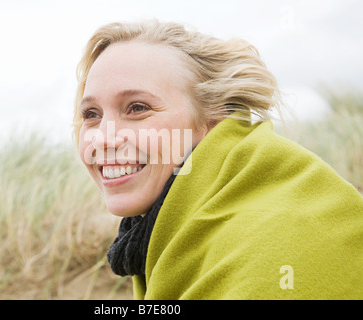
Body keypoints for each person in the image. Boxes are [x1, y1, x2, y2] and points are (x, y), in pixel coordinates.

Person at [73, 20, 363, 299]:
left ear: (213, 118)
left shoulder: (273, 244)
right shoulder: (180, 230)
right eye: (91, 114)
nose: (102, 139)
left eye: (137, 108)